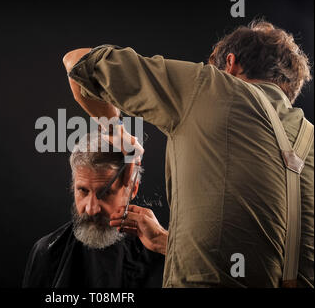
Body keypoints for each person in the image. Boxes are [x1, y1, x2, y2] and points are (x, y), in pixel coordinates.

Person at [62, 20, 314, 288]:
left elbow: (78, 62)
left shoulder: (212, 86)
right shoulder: (308, 138)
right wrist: (164, 240)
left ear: (230, 63)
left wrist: (117, 132)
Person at [22, 133, 166, 288]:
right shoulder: (47, 253)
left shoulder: (163, 252)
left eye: (106, 193)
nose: (91, 209)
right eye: (83, 190)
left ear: (132, 189)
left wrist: (164, 243)